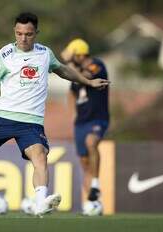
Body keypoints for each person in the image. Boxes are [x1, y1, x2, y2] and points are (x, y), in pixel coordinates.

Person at [0, 13, 109, 216]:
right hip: (2, 116)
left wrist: (88, 82)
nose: (23, 38)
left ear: (36, 33)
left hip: (31, 122)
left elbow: (63, 70)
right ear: (14, 32)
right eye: (19, 33)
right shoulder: (4, 55)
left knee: (40, 156)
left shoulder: (45, 54)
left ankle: (40, 203)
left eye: (28, 34)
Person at [61, 38, 109, 210]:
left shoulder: (96, 65)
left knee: (91, 142)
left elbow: (86, 77)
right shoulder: (76, 71)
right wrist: (73, 113)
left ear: (78, 54)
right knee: (84, 162)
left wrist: (67, 62)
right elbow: (72, 92)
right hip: (80, 122)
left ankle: (95, 183)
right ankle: (93, 203)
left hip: (97, 118)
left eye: (72, 54)